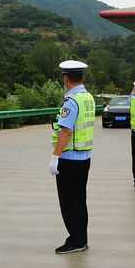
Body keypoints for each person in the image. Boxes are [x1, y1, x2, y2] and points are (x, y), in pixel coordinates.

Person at [50, 60, 95, 254]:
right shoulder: (88, 97)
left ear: (66, 78)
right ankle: (81, 238)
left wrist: (55, 157)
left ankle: (76, 241)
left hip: (69, 159)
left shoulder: (72, 100)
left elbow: (66, 131)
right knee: (79, 200)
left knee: (69, 203)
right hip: (84, 157)